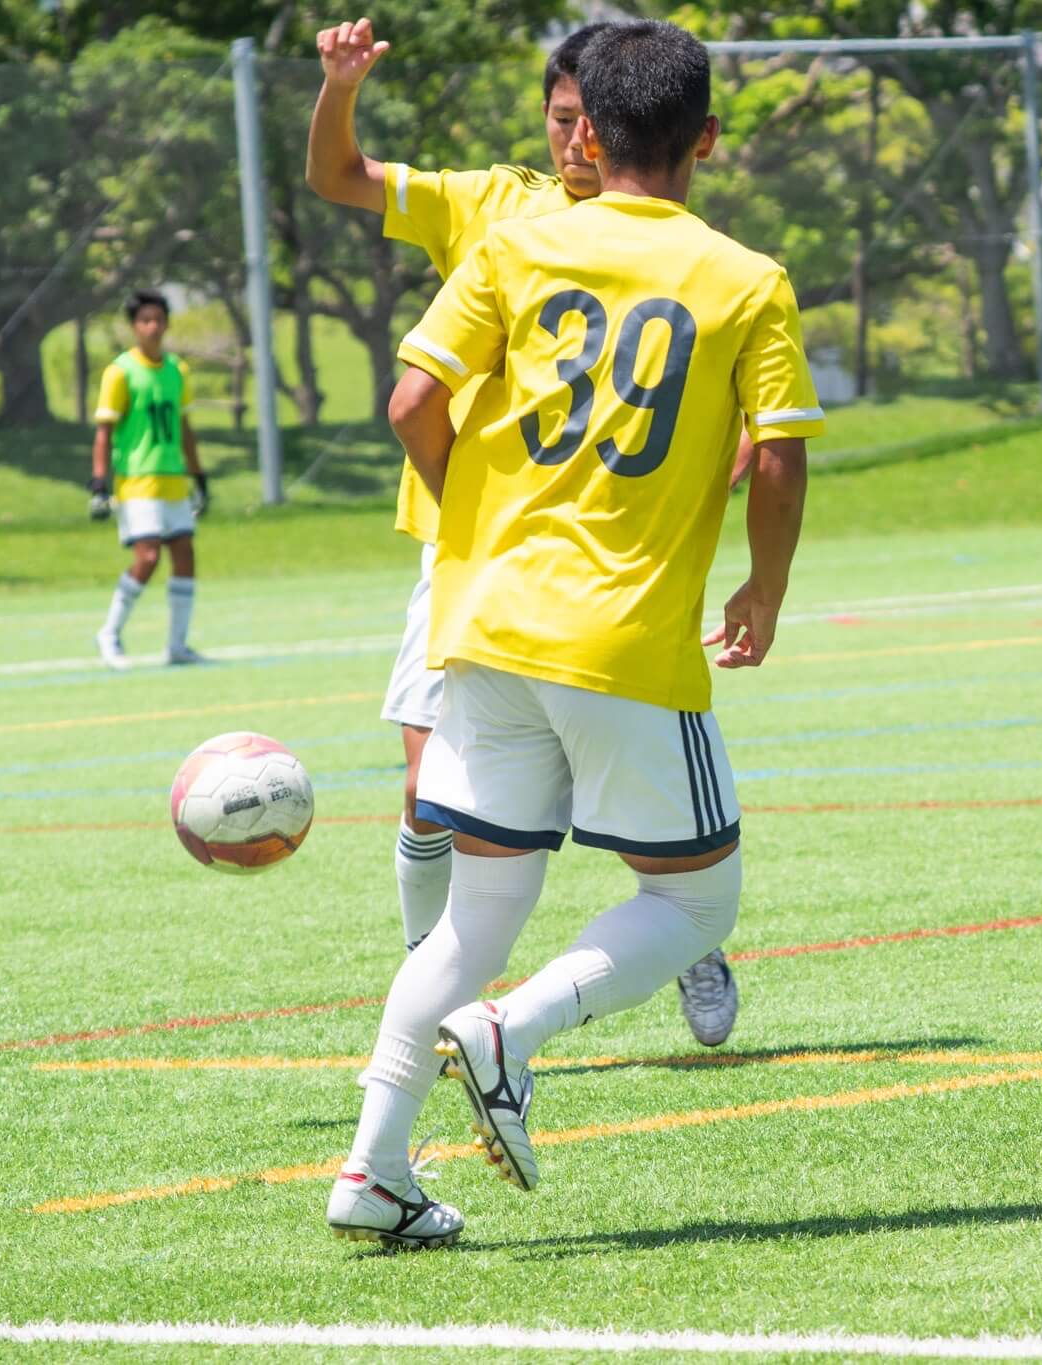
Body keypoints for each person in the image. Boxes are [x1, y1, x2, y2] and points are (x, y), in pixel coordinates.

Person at [325, 18, 822, 1248]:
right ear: (708, 138)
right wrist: (763, 589)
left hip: (483, 626)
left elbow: (411, 400)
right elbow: (777, 456)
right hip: (621, 639)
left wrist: (471, 520)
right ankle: (516, 1029)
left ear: (587, 132)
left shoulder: (515, 244)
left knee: (473, 918)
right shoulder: (746, 278)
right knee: (695, 904)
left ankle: (373, 1172)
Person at [305, 18, 742, 1050]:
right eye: (560, 118)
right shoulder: (491, 207)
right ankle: (437, 1006)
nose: (576, 139)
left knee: (617, 790)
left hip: (602, 568)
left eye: (592, 119)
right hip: (467, 559)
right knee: (428, 795)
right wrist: (340, 87)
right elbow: (337, 176)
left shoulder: (676, 244)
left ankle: (681, 933)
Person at [89, 288, 207, 669]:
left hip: (173, 479)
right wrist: (98, 482)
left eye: (158, 319)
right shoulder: (121, 372)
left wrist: (198, 475)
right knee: (148, 556)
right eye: (145, 320)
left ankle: (177, 645)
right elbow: (104, 432)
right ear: (134, 326)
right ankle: (109, 633)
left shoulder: (177, 370)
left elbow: (184, 427)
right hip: (137, 481)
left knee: (185, 554)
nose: (153, 327)